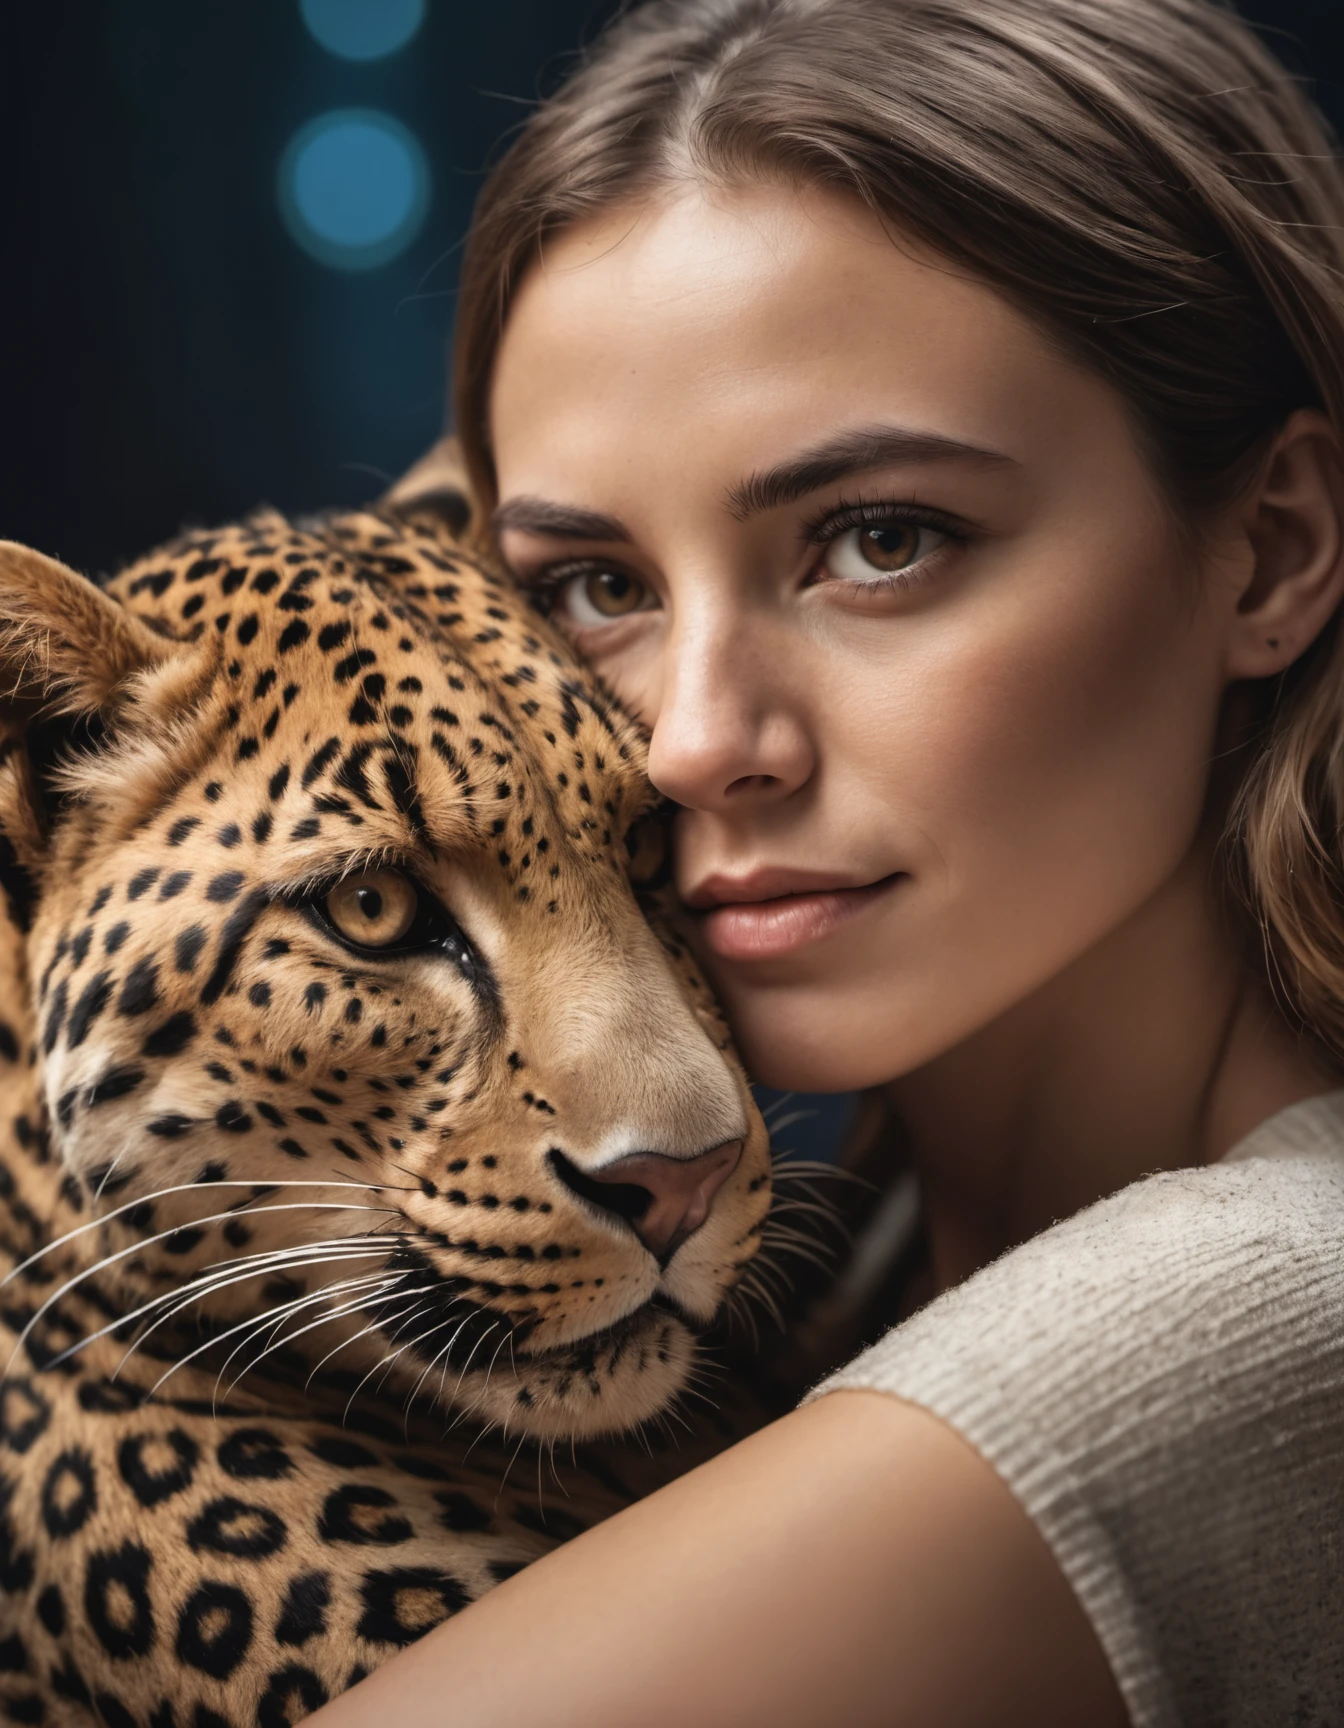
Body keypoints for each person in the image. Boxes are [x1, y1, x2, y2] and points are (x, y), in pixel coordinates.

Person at [310, 1, 1344, 1722]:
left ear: (1272, 550)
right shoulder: (852, 1254)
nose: (691, 741)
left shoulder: (1247, 1322)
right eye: (594, 587)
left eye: (881, 542)